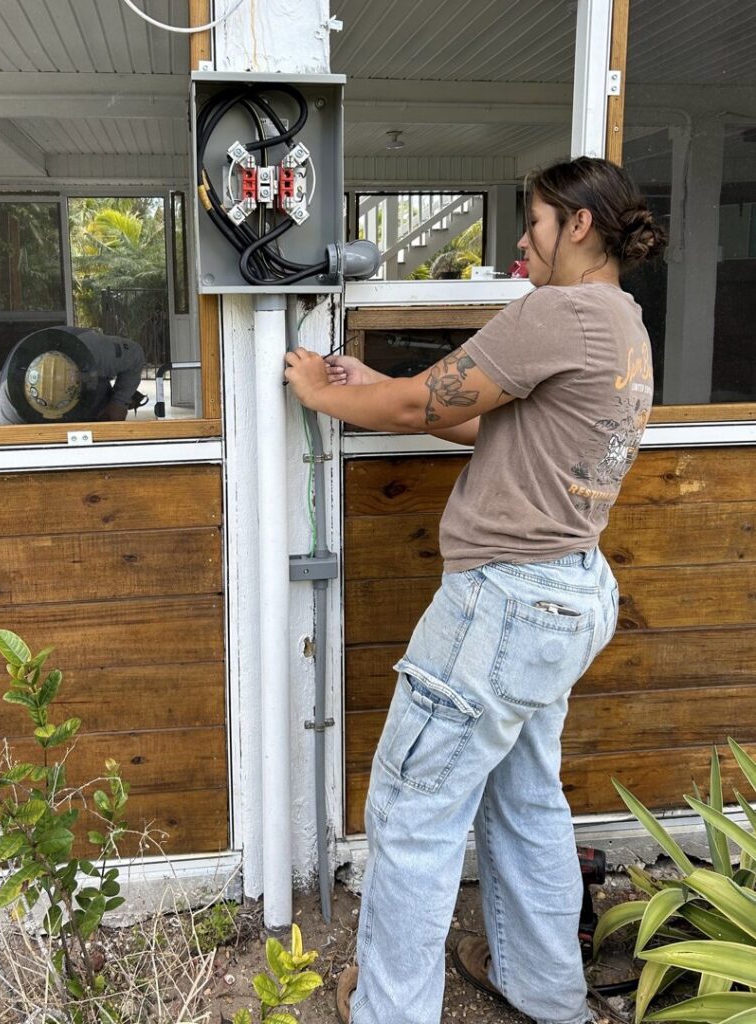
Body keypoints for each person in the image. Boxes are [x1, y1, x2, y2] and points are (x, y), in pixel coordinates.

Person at [284, 157, 665, 1024]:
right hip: (569, 593)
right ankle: (545, 992)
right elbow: (488, 421)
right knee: (526, 797)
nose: (522, 242)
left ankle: (387, 1010)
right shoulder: (624, 325)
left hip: (502, 603)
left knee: (412, 810)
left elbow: (427, 407)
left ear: (577, 224)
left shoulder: (554, 313)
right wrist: (369, 387)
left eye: (532, 222)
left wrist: (318, 387)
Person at [0, 325, 146, 425]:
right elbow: (8, 447)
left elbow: (135, 355)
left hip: (96, 404)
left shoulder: (96, 350)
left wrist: (119, 402)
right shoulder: (10, 396)